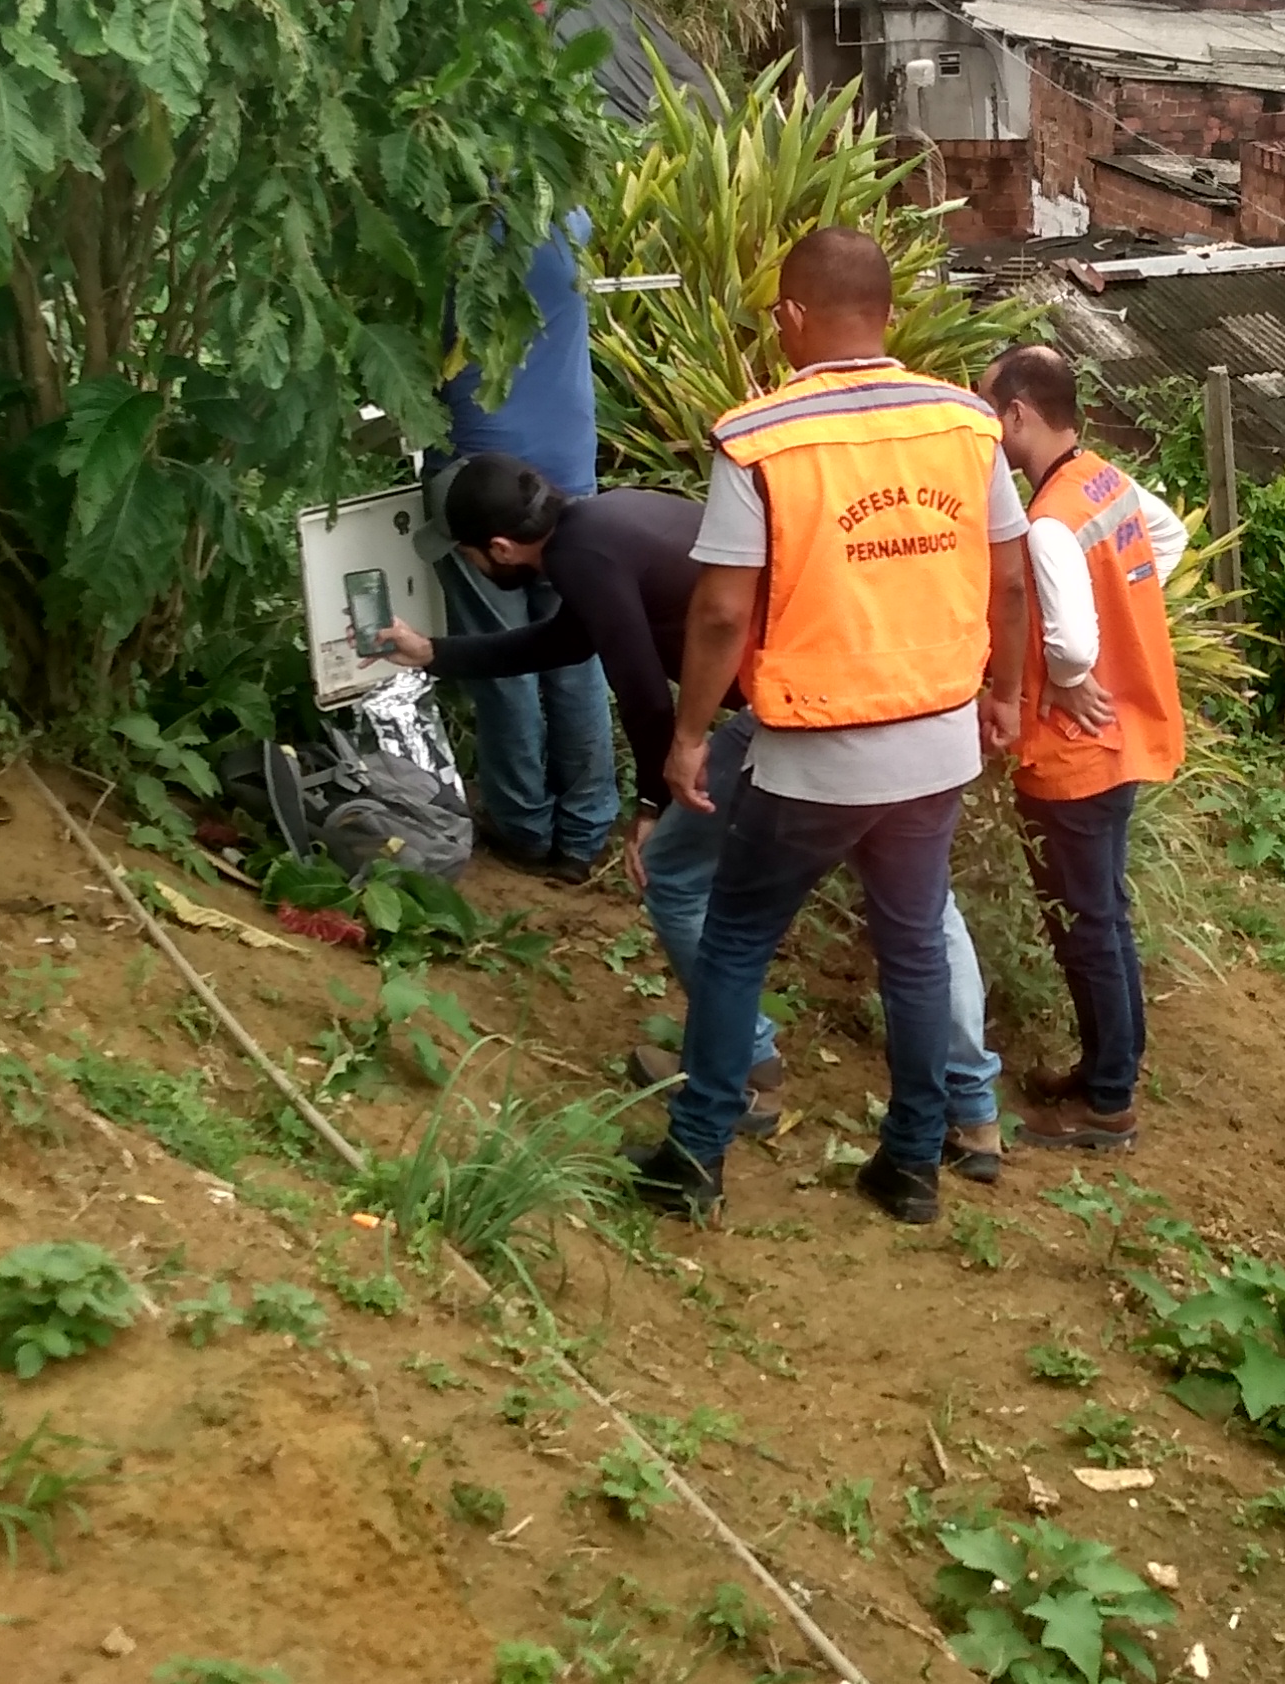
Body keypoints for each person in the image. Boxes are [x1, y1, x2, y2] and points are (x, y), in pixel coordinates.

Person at [378, 453, 1007, 1169]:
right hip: (883, 700)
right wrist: (434, 652)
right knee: (923, 913)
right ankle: (974, 1115)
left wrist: (653, 802)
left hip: (790, 716)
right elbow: (568, 640)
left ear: (498, 548)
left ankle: (746, 1072)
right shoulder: (607, 519)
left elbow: (644, 691)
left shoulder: (582, 555)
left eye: (466, 552)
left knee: (674, 876)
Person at [633, 228, 1030, 1224]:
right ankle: (911, 1165)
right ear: (889, 316)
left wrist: (688, 738)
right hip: (935, 739)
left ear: (790, 318)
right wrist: (1006, 693)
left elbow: (721, 613)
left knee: (736, 941)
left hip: (815, 750)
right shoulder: (967, 423)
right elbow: (1011, 579)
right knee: (914, 947)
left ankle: (696, 1156)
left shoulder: (760, 439)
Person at [983, 345, 1185, 1152]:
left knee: (1086, 924)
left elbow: (1068, 644)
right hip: (1121, 738)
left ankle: (1107, 1103)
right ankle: (1109, 1070)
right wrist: (1118, 613)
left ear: (1019, 415)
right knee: (1106, 916)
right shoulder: (1102, 481)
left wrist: (1069, 675)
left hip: (1072, 755)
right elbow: (1167, 537)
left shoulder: (1047, 523)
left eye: (990, 412)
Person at [427, 214, 615, 884]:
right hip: (569, 467)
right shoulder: (566, 214)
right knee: (576, 651)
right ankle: (586, 831)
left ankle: (523, 827)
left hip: (477, 479)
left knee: (499, 659)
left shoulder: (448, 225)